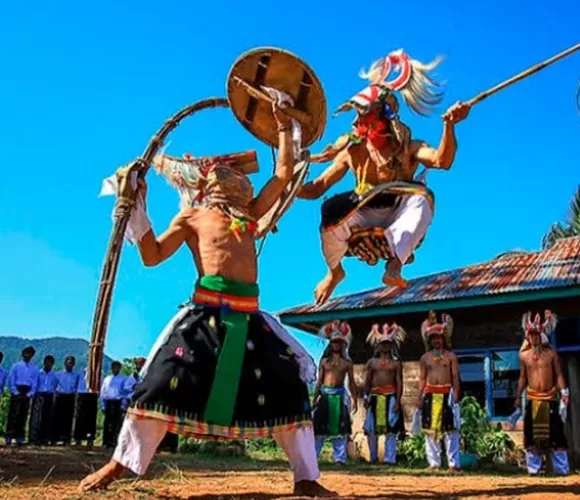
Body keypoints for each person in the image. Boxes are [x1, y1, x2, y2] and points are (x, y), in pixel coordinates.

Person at [79, 96, 335, 497]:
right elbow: (151, 256)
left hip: (251, 317)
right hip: (204, 316)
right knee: (160, 383)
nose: (235, 177)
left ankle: (306, 478)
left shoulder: (250, 215)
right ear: (207, 183)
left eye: (239, 173)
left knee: (288, 387)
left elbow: (284, 173)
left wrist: (283, 124)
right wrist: (134, 204)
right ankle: (120, 463)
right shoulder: (192, 217)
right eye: (224, 171)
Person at [298, 50, 471, 304]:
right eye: (358, 115)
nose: (358, 120)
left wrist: (449, 126)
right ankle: (335, 273)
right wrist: (287, 184)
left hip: (399, 215)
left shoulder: (408, 147)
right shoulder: (352, 150)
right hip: (362, 215)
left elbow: (441, 161)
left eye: (365, 115)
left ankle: (395, 264)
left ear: (384, 119)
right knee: (329, 210)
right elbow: (317, 187)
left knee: (423, 197)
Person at [516, 311, 570, 476]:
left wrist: (564, 392)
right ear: (528, 336)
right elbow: (523, 378)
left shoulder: (551, 354)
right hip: (533, 399)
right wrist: (518, 396)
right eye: (531, 334)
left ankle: (562, 470)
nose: (534, 337)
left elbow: (559, 374)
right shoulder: (524, 356)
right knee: (532, 436)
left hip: (550, 398)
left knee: (556, 434)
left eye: (536, 334)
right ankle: (534, 469)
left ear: (541, 335)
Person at [414, 311, 461, 471]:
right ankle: (434, 462)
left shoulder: (451, 357)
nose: (436, 341)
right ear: (430, 340)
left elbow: (455, 376)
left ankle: (453, 464)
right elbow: (422, 379)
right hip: (429, 394)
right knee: (430, 430)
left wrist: (456, 393)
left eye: (439, 338)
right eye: (433, 338)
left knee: (451, 430)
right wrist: (419, 397)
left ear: (444, 339)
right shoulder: (425, 358)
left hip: (447, 394)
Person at [312, 321, 357, 464]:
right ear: (330, 344)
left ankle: (340, 458)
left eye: (339, 342)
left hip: (340, 395)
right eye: (334, 342)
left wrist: (355, 399)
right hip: (325, 395)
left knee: (341, 429)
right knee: (318, 428)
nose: (337, 345)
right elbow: (319, 380)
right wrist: (315, 397)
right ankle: (313, 457)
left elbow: (351, 382)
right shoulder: (324, 361)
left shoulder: (347, 363)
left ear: (343, 344)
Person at [362, 322, 406, 465]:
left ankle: (390, 458)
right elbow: (367, 381)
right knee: (371, 429)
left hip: (391, 396)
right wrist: (365, 396)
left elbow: (399, 381)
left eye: (388, 344)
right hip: (374, 396)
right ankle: (373, 457)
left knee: (391, 429)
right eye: (383, 344)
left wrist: (398, 400)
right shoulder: (372, 362)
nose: (385, 346)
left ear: (392, 345)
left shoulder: (396, 363)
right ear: (378, 346)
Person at [5, 346, 38, 445]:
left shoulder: (34, 368)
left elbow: (35, 383)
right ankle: (9, 436)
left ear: (32, 355)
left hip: (27, 391)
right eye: (26, 353)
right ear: (22, 354)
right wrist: (16, 392)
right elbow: (11, 380)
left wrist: (29, 394)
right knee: (13, 415)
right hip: (17, 390)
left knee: (23, 415)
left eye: (30, 354)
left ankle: (20, 437)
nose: (28, 355)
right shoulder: (15, 366)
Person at [51, 356, 81, 445]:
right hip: (60, 396)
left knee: (68, 418)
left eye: (71, 363)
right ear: (65, 363)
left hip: (70, 397)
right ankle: (54, 438)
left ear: (74, 364)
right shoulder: (58, 374)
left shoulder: (76, 375)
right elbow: (53, 386)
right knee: (57, 418)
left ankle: (66, 438)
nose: (70, 364)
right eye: (68, 362)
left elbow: (76, 387)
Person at [29, 355, 58, 445]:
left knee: (47, 418)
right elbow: (34, 385)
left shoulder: (54, 375)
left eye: (50, 363)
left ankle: (44, 438)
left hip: (49, 396)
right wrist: (33, 395)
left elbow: (54, 386)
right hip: (39, 395)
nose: (48, 364)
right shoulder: (38, 373)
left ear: (52, 364)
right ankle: (33, 439)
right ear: (44, 362)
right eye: (47, 362)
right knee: (36, 418)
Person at [100, 361, 129, 448]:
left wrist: (123, 405)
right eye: (113, 367)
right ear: (111, 368)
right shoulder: (107, 379)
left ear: (120, 368)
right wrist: (102, 405)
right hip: (108, 402)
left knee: (117, 423)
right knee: (107, 422)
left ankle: (114, 442)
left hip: (118, 402)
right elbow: (103, 392)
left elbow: (125, 393)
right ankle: (106, 441)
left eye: (117, 367)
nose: (115, 369)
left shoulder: (124, 379)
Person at [74, 368, 98, 447]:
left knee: (91, 418)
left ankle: (90, 438)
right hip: (82, 394)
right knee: (80, 417)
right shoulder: (80, 373)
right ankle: (78, 438)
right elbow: (76, 384)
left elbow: (99, 385)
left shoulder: (98, 372)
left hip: (92, 394)